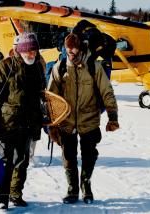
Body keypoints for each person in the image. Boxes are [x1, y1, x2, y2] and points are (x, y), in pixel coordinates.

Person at [47, 33, 119, 204]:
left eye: (73, 50)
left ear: (80, 48)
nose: (70, 54)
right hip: (67, 121)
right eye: (67, 51)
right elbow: (51, 97)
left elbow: (107, 91)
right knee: (68, 155)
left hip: (89, 120)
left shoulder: (94, 67)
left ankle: (86, 185)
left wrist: (112, 116)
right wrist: (52, 125)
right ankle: (72, 188)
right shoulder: (60, 67)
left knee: (89, 155)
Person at [0, 32, 46, 210]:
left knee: (22, 160)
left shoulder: (38, 66)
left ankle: (16, 193)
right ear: (21, 50)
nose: (33, 54)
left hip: (29, 122)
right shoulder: (5, 66)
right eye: (29, 51)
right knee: (7, 161)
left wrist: (46, 113)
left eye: (35, 51)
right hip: (7, 122)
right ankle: (3, 197)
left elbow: (42, 93)